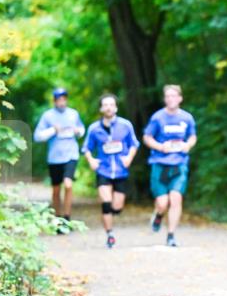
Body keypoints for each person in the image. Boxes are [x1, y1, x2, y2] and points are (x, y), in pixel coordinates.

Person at [82, 94, 140, 249]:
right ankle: (110, 235)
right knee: (106, 203)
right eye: (105, 105)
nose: (108, 108)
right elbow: (86, 148)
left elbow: (134, 144)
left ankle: (111, 215)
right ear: (101, 109)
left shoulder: (125, 125)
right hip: (104, 170)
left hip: (121, 171)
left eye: (111, 105)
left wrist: (129, 158)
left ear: (116, 108)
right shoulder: (94, 128)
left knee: (117, 207)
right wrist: (91, 160)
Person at [142, 84, 197, 247]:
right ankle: (159, 214)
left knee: (176, 199)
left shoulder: (187, 118)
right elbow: (147, 137)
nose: (171, 99)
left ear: (180, 98)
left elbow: (192, 136)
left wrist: (188, 145)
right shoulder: (158, 117)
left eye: (174, 96)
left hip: (179, 164)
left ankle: (171, 235)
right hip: (160, 164)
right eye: (168, 96)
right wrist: (160, 147)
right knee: (162, 203)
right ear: (165, 99)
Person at [33, 87, 85, 224]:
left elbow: (82, 130)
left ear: (66, 100)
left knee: (68, 184)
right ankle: (58, 218)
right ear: (54, 101)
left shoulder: (73, 114)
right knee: (56, 189)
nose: (62, 102)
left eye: (64, 99)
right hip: (55, 158)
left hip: (71, 154)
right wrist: (52, 130)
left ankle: (67, 218)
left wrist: (78, 131)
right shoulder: (47, 116)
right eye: (59, 100)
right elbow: (37, 136)